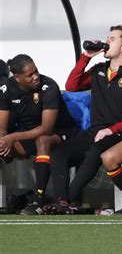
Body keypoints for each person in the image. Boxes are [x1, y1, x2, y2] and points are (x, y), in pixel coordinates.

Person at [43, 25, 122, 214]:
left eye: (112, 39)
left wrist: (112, 129)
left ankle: (66, 201)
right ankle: (63, 201)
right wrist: (86, 56)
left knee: (94, 152)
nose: (106, 42)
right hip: (95, 130)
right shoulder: (98, 69)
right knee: (60, 152)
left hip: (121, 133)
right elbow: (72, 85)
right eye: (107, 38)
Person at [0, 54, 78, 215]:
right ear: (17, 77)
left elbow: (46, 128)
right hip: (29, 135)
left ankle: (38, 198)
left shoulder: (48, 86)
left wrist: (12, 138)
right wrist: (3, 141)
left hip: (61, 133)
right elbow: (2, 126)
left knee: (43, 140)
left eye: (36, 71)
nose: (36, 77)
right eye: (30, 75)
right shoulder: (6, 89)